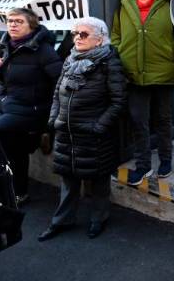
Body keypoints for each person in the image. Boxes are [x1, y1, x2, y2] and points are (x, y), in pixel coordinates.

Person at [38, 17, 126, 241]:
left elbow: (118, 101)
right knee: (68, 181)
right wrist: (54, 119)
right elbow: (58, 91)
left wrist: (98, 127)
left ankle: (99, 219)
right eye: (75, 33)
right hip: (66, 133)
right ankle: (61, 221)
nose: (77, 37)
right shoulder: (70, 59)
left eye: (84, 34)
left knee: (98, 182)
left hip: (93, 135)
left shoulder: (108, 62)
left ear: (99, 40)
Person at [111, 0, 174, 185]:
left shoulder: (169, 1)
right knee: (138, 120)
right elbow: (116, 34)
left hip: (164, 70)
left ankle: (165, 159)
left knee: (163, 119)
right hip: (133, 73)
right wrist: (120, 53)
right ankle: (143, 165)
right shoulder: (124, 3)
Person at [0, 7, 61, 203]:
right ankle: (16, 190)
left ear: (31, 25)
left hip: (33, 109)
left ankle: (16, 189)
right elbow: (8, 82)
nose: (13, 25)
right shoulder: (8, 46)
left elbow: (59, 82)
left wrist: (49, 115)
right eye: (10, 21)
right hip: (8, 107)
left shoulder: (43, 51)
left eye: (18, 21)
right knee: (13, 147)